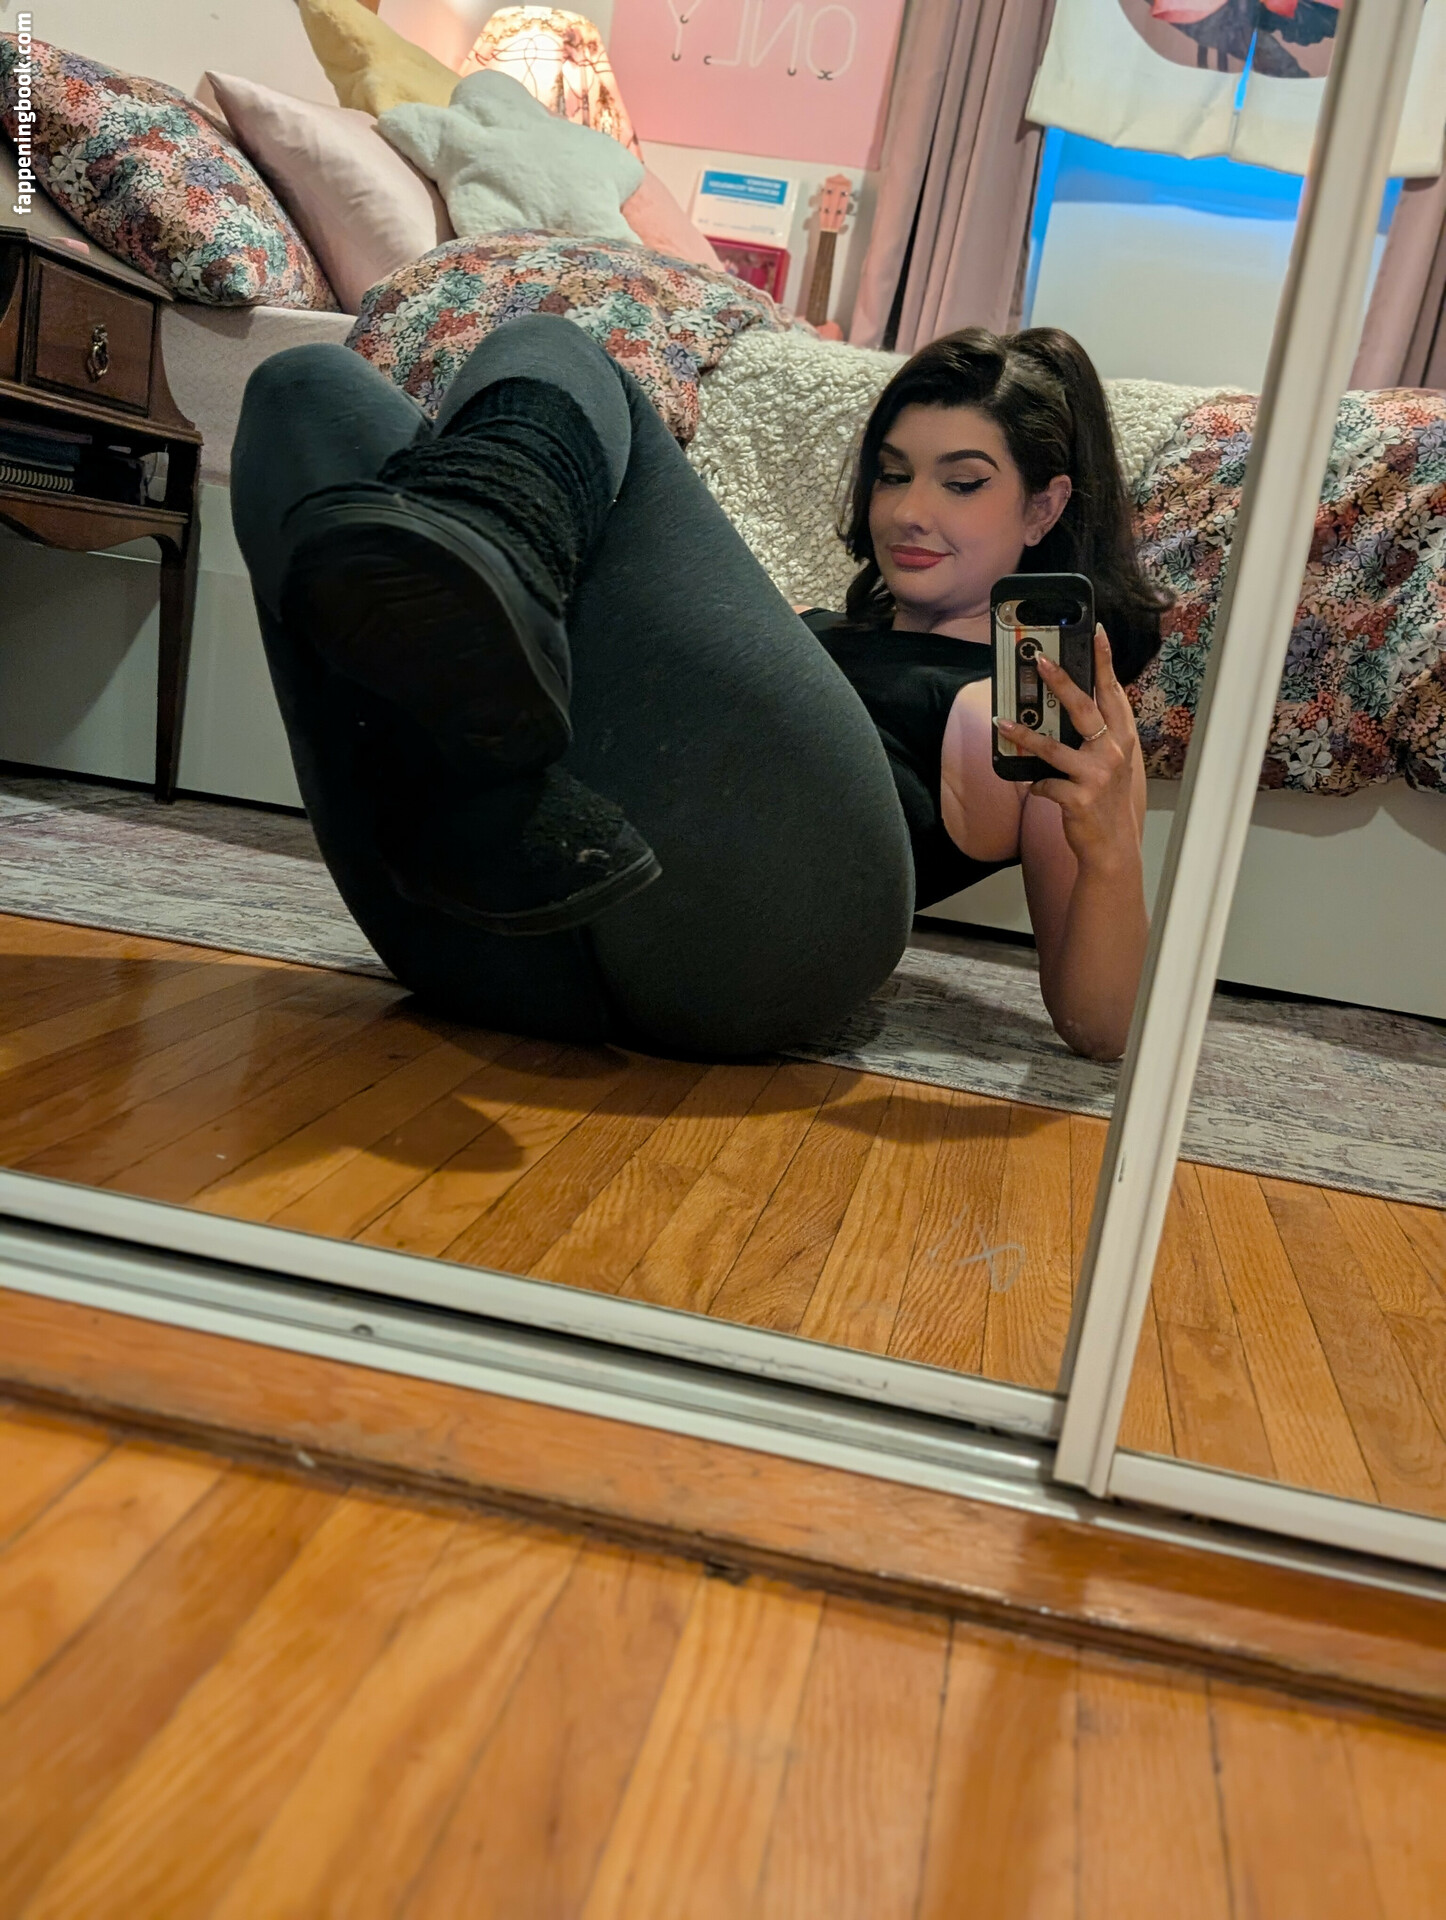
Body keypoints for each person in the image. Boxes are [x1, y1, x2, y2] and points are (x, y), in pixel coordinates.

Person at [230, 314, 1167, 1064]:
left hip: (749, 963)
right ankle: (489, 779)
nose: (909, 512)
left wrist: (1107, 845)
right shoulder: (798, 634)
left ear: (1043, 506)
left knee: (553, 347)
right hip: (490, 942)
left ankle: (497, 548)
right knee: (303, 388)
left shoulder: (1042, 705)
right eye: (891, 475)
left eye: (963, 484)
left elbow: (1101, 1029)